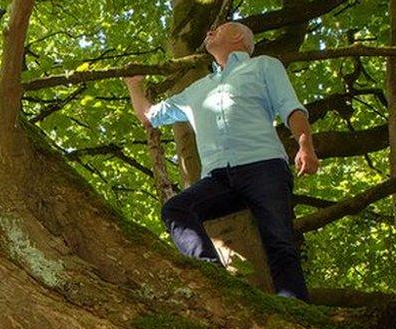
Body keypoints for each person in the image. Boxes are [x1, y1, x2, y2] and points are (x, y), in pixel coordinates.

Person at [123, 21, 319, 301]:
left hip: (263, 166)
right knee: (176, 209)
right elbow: (150, 116)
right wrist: (134, 86)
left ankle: (298, 313)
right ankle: (214, 281)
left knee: (279, 243)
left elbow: (291, 108)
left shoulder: (263, 66)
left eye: (219, 28)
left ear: (238, 36)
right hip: (218, 177)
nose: (209, 30)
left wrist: (305, 145)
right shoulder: (197, 90)